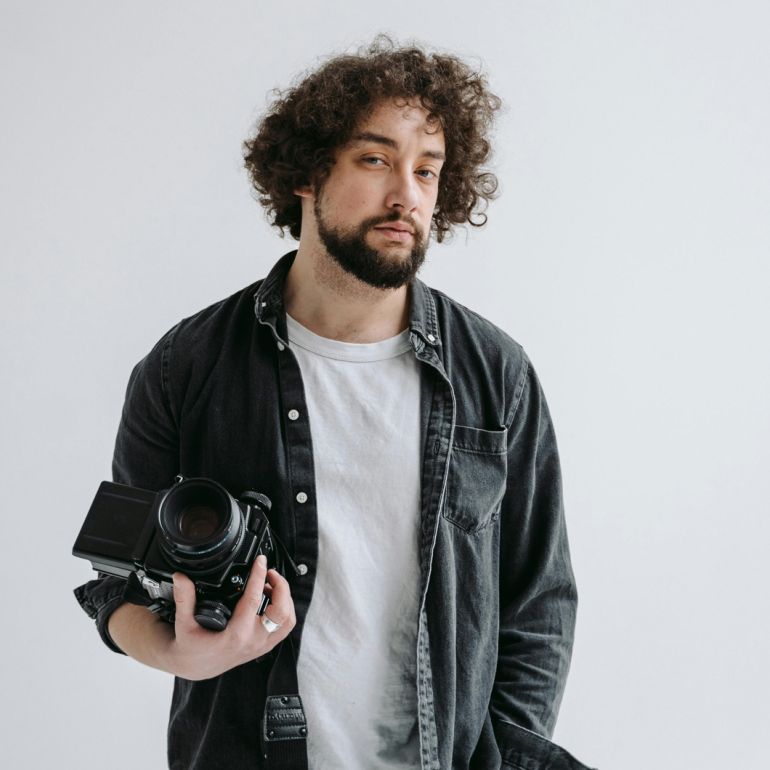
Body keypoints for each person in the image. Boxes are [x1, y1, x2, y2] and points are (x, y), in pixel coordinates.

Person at [74, 37, 594, 770]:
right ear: (306, 173)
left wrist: (506, 755)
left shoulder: (495, 374)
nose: (407, 194)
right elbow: (116, 581)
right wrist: (177, 652)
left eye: (427, 170)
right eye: (375, 160)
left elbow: (539, 601)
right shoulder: (184, 366)